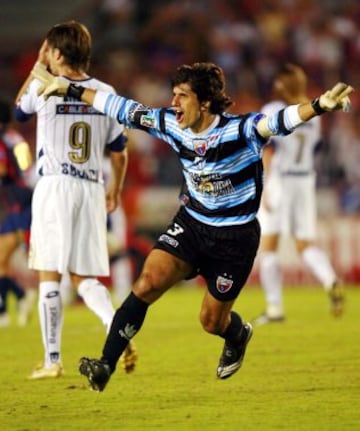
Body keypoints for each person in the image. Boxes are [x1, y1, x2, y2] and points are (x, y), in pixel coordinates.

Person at [31, 60, 353, 391]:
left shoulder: (239, 131)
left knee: (211, 321)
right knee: (147, 282)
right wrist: (69, 87)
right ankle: (105, 365)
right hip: (193, 224)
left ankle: (238, 334)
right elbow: (122, 108)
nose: (174, 104)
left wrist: (318, 106)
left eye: (182, 96)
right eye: (174, 95)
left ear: (205, 102)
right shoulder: (171, 123)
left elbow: (278, 121)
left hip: (234, 238)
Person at [14, 20, 137, 379]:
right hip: (90, 188)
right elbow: (119, 150)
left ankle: (52, 360)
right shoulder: (104, 91)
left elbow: (18, 110)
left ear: (55, 52)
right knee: (85, 276)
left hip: (55, 185)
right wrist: (114, 190)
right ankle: (116, 328)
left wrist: (38, 66)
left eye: (48, 50)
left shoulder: (45, 85)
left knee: (49, 275)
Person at [253, 64, 345, 326]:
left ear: (281, 84)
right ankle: (330, 279)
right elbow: (315, 149)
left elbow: (268, 150)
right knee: (304, 244)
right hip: (305, 180)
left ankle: (274, 308)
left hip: (280, 180)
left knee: (268, 246)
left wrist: (266, 185)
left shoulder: (273, 110)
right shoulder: (314, 113)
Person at [0, 100, 36, 327]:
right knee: (2, 259)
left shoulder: (4, 141)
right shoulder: (16, 139)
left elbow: (3, 171)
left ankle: (5, 310)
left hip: (20, 203)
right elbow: (27, 168)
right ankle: (21, 296)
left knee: (9, 258)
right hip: (24, 199)